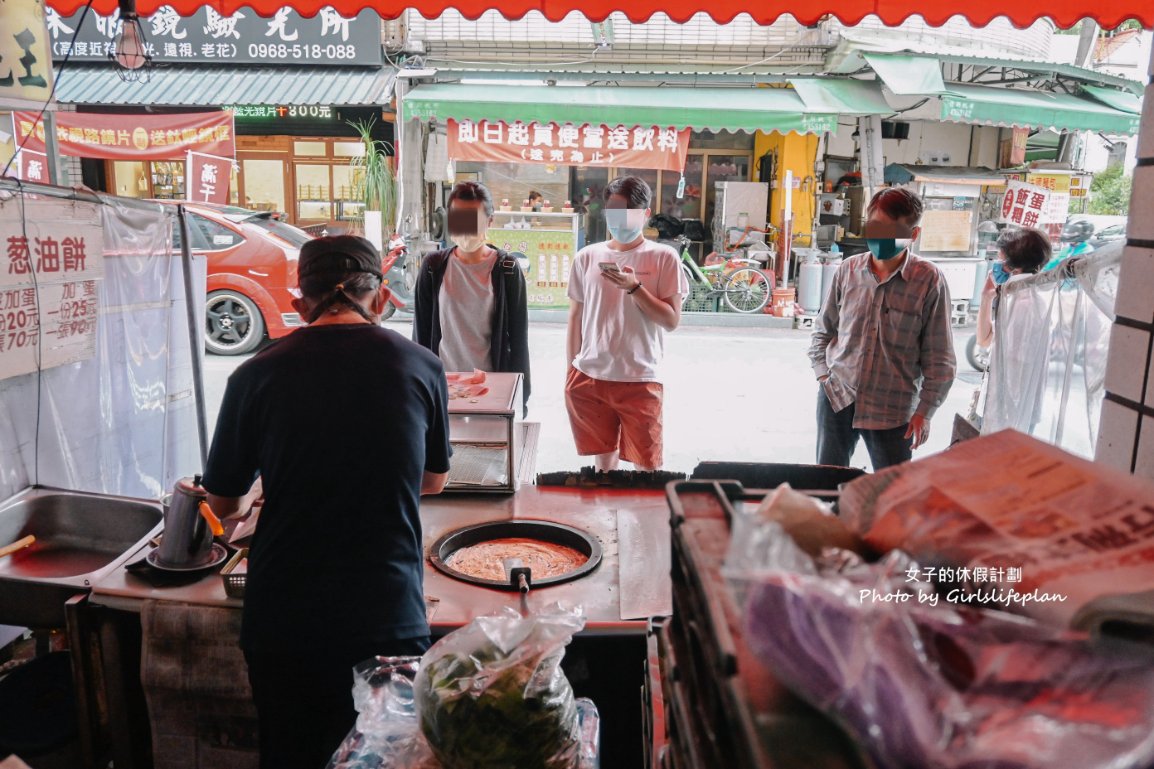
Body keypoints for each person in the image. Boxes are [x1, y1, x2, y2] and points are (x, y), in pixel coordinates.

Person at [201, 235, 451, 769]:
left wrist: (260, 489)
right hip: (387, 612)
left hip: (283, 621)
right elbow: (433, 483)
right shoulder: (421, 366)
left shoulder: (252, 375)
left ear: (298, 305)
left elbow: (221, 503)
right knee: (389, 757)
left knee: (292, 753)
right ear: (381, 300)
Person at [808, 187, 956, 470]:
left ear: (913, 235)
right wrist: (823, 375)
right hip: (838, 396)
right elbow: (823, 330)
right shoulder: (847, 271)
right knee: (825, 484)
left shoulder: (929, 280)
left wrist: (925, 412)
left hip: (893, 409)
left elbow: (940, 357)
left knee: (892, 493)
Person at [565, 175, 688, 471]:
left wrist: (635, 288)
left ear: (645, 215)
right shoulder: (586, 257)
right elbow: (576, 317)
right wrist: (571, 370)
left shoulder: (664, 258)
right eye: (613, 211)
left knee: (647, 472)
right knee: (602, 470)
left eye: (627, 213)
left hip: (641, 378)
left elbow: (670, 320)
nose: (618, 220)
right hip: (590, 377)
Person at [413, 181, 531, 413]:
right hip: (443, 388)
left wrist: (521, 398)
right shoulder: (433, 267)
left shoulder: (506, 268)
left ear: (489, 221)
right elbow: (421, 335)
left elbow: (518, 339)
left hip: (492, 388)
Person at [975, 227, 1052, 434]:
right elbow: (984, 340)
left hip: (1011, 414)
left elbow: (1017, 368)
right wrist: (986, 298)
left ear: (1013, 268)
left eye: (999, 260)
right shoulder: (1013, 296)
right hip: (1002, 408)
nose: (995, 266)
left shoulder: (1027, 303)